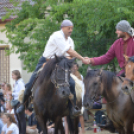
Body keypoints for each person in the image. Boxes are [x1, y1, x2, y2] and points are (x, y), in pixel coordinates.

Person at [17, 19, 89, 116]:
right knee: (30, 83)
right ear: (62, 28)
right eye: (69, 28)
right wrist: (82, 58)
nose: (71, 30)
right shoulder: (57, 36)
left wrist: (65, 62)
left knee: (71, 83)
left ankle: (73, 108)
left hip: (61, 64)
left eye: (72, 28)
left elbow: (69, 57)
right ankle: (23, 104)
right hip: (46, 62)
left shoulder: (70, 41)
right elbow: (69, 51)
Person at [11, 70, 26, 134]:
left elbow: (22, 91)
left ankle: (23, 132)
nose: (12, 76)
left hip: (19, 101)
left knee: (21, 118)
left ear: (17, 75)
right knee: (18, 118)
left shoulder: (20, 82)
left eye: (13, 75)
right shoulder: (16, 82)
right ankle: (20, 132)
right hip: (15, 101)